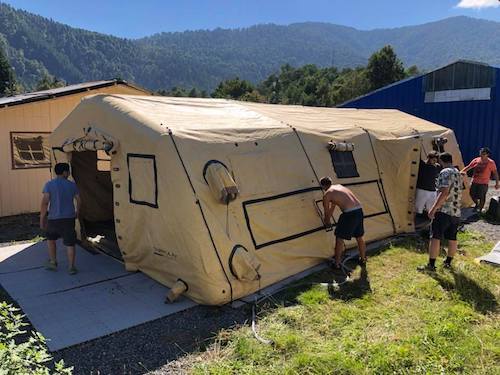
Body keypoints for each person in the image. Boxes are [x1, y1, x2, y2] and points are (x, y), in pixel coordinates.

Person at [418, 152, 462, 272]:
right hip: (456, 211)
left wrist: (433, 208)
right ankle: (448, 263)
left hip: (444, 211)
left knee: (435, 237)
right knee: (452, 237)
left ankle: (431, 266)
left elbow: (444, 192)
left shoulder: (445, 172)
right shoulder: (458, 172)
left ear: (441, 161)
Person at [40, 163, 81, 274]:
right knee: (70, 243)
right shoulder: (72, 185)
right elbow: (79, 200)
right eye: (68, 171)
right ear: (64, 172)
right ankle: (71, 267)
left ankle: (53, 262)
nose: (69, 173)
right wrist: (78, 212)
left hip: (53, 219)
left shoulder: (49, 185)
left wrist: (42, 219)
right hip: (68, 218)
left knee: (51, 240)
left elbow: (45, 203)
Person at [320, 177, 367, 269]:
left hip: (349, 214)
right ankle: (363, 258)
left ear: (322, 186)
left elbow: (326, 211)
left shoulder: (327, 194)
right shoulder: (339, 186)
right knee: (359, 236)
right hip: (359, 210)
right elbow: (333, 206)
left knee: (339, 238)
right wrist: (328, 219)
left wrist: (327, 221)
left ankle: (336, 264)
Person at [461, 147, 499, 212]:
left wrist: (497, 183)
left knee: (482, 196)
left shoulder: (491, 162)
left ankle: (480, 210)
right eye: (481, 153)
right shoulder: (476, 160)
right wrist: (462, 171)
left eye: (483, 154)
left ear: (487, 154)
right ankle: (477, 204)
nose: (481, 155)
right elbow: (469, 167)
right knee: (471, 194)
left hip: (484, 183)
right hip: (474, 181)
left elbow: (495, 173)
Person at [415, 151, 441, 216]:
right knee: (418, 209)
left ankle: (431, 224)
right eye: (433, 159)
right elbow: (417, 155)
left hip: (432, 190)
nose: (435, 161)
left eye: (436, 160)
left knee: (431, 209)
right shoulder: (423, 165)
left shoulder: (437, 166)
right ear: (429, 158)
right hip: (422, 190)